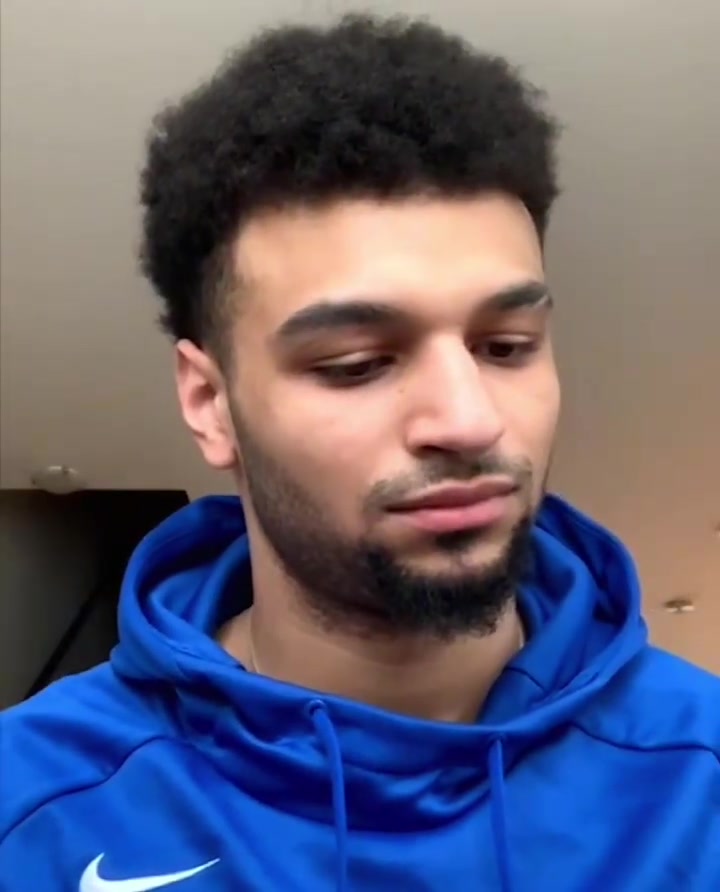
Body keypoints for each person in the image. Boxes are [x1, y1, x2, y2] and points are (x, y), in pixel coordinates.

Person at [1, 13, 718, 892]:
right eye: (358, 364)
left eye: (506, 346)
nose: (468, 420)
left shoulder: (699, 778)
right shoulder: (32, 808)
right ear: (210, 403)